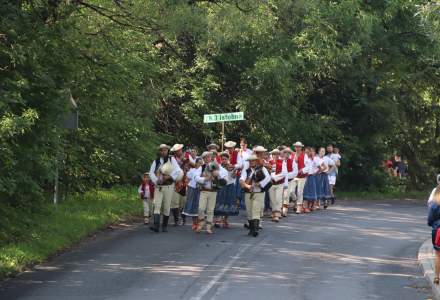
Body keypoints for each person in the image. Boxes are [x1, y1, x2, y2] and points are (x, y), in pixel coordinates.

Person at [149, 144, 183, 233]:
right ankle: (156, 226)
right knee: (157, 205)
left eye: (165, 150)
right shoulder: (156, 161)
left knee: (167, 207)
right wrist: (156, 180)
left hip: (169, 186)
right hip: (158, 186)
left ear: (167, 151)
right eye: (161, 150)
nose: (163, 152)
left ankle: (164, 226)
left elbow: (178, 170)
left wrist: (170, 177)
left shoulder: (172, 160)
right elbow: (151, 173)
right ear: (159, 151)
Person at [195, 151, 228, 234]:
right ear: (203, 159)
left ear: (211, 158)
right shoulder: (201, 167)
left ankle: (208, 227)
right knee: (201, 208)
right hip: (204, 190)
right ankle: (201, 222)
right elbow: (195, 177)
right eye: (205, 157)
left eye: (208, 157)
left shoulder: (216, 167)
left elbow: (224, 176)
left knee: (210, 210)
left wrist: (217, 175)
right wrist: (205, 179)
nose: (207, 159)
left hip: (213, 191)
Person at [240, 154, 272, 237]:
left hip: (259, 193)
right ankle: (251, 229)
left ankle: (255, 229)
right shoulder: (246, 170)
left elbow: (268, 178)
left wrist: (259, 183)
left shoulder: (263, 169)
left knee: (256, 210)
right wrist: (248, 186)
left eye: (253, 160)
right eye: (250, 161)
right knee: (249, 211)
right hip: (248, 193)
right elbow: (241, 180)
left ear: (256, 161)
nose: (251, 162)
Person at [214, 152, 239, 228]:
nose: (224, 160)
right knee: (220, 201)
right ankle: (218, 220)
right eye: (223, 159)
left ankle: (225, 220)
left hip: (230, 185)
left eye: (225, 159)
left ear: (228, 159)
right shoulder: (218, 167)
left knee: (229, 202)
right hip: (222, 186)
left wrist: (234, 171)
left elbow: (234, 177)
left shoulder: (231, 167)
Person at [183, 157, 203, 231]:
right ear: (196, 163)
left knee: (198, 206)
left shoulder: (202, 170)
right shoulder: (192, 170)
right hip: (192, 188)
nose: (200, 164)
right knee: (192, 205)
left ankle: (199, 223)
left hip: (200, 189)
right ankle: (194, 223)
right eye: (199, 162)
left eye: (201, 163)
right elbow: (188, 178)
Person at [170, 144, 185, 226]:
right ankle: (176, 220)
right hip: (175, 182)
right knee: (175, 201)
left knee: (183, 201)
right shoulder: (171, 160)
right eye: (179, 150)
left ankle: (183, 219)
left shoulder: (185, 159)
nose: (181, 151)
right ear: (175, 152)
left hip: (184, 182)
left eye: (181, 150)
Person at [291, 141, 308, 214]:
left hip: (302, 176)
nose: (297, 148)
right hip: (294, 176)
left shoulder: (304, 155)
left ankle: (298, 206)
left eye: (299, 146)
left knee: (299, 192)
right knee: (291, 191)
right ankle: (295, 201)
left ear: (301, 147)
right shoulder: (292, 155)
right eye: (296, 146)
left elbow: (308, 166)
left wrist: (303, 170)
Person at [428, 184, 440, 285]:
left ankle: (436, 276)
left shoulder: (435, 204)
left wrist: (434, 224)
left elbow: (430, 219)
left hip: (438, 231)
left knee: (438, 254)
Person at [236, 138, 253, 209]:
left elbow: (252, 161)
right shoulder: (239, 152)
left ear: (246, 145)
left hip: (248, 171)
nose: (242, 146)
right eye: (241, 145)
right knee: (239, 187)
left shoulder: (250, 152)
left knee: (245, 187)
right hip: (240, 171)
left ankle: (244, 203)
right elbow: (238, 162)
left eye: (244, 145)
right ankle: (238, 202)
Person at [303, 147, 319, 212]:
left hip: (311, 176)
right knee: (306, 191)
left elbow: (320, 167)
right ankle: (306, 206)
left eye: (308, 152)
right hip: (305, 176)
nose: (306, 153)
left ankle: (311, 205)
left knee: (311, 191)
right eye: (305, 152)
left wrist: (316, 172)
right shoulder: (304, 158)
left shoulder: (314, 159)